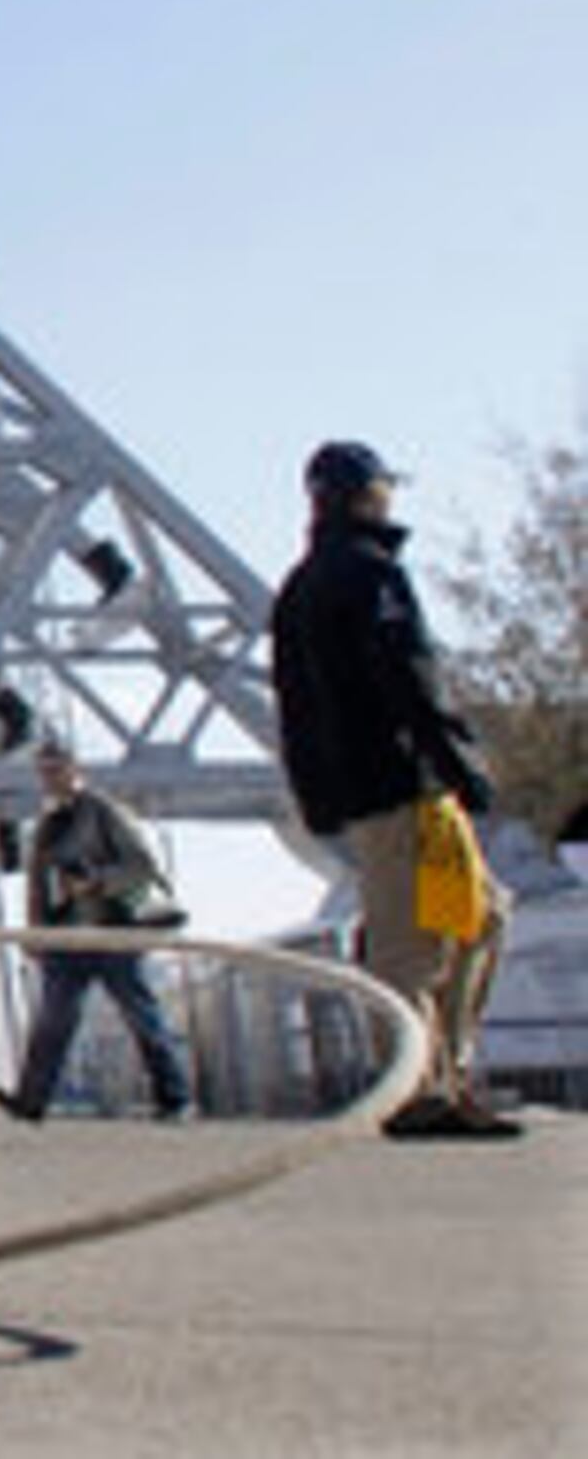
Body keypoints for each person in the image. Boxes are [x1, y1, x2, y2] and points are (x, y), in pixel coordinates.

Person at [269, 439, 516, 1141]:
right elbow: (409, 676)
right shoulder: (370, 573)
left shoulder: (301, 587)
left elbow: (294, 704)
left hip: (376, 791)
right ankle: (415, 1090)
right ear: (364, 494)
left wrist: (315, 794)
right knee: (414, 943)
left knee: (480, 916)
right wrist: (459, 761)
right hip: (402, 787)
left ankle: (444, 1072)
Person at [0, 738, 194, 1125]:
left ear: (74, 769)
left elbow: (141, 865)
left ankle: (175, 1098)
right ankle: (31, 1102)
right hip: (67, 938)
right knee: (53, 1019)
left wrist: (95, 881)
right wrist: (35, 931)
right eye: (44, 771)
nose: (49, 778)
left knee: (141, 1015)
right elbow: (40, 884)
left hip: (111, 932)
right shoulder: (48, 824)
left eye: (55, 769)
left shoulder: (103, 812)